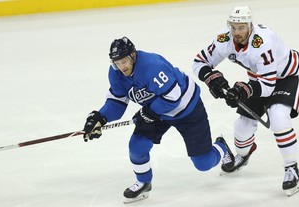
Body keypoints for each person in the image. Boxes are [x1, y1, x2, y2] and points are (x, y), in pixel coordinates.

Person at [82, 37, 234, 203]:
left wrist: (149, 113)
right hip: (157, 110)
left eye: (124, 61)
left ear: (133, 56)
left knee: (203, 163)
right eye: (117, 63)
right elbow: (117, 101)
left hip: (186, 109)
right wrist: (100, 117)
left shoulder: (152, 66)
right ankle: (143, 183)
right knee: (137, 145)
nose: (122, 67)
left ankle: (221, 148)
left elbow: (173, 97)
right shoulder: (116, 73)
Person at [192, 6, 299, 196]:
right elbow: (199, 62)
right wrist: (211, 78)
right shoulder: (224, 39)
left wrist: (244, 90)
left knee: (278, 117)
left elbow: (269, 86)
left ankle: (291, 168)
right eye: (234, 27)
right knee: (242, 129)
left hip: (287, 77)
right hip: (259, 79)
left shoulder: (263, 42)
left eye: (242, 27)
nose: (237, 32)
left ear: (250, 26)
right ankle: (243, 155)